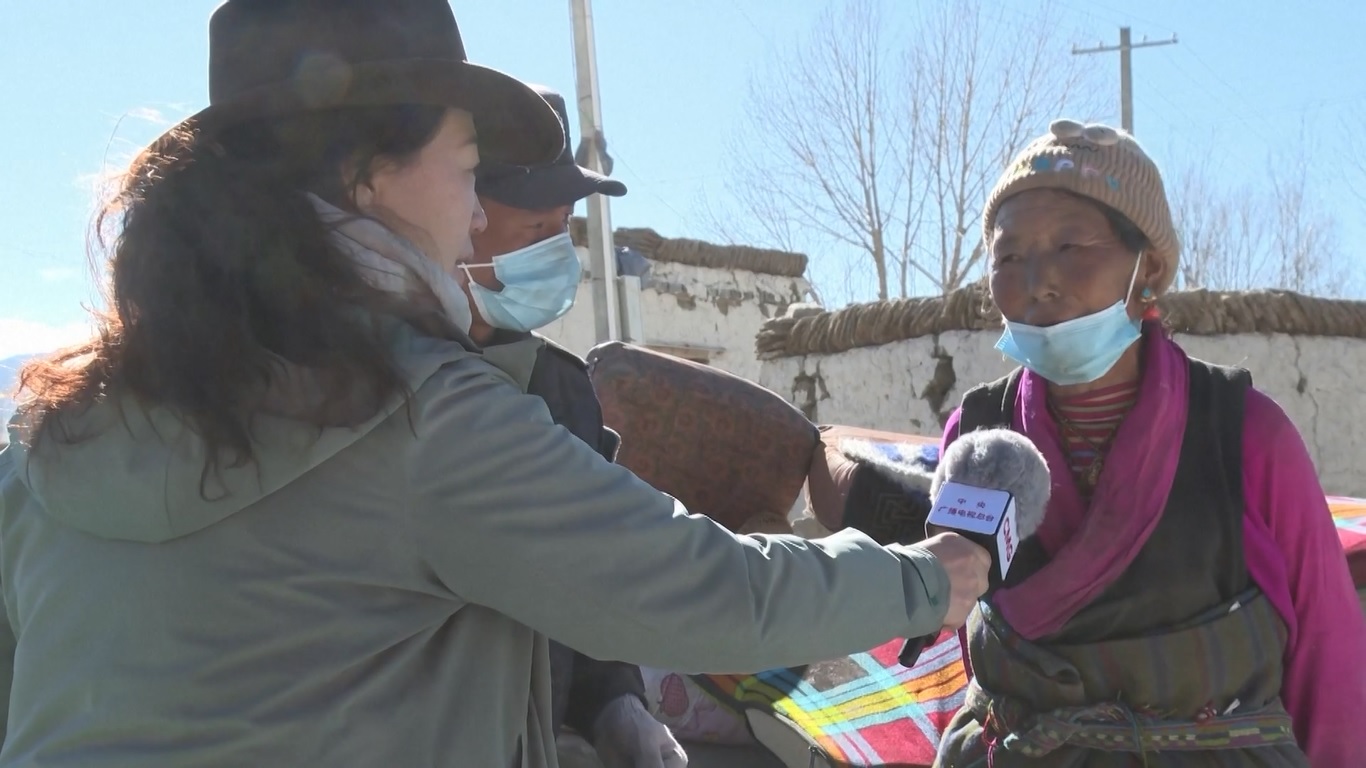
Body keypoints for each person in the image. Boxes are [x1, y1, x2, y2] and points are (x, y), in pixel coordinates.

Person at [0, 2, 992, 767]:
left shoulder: (53, 432)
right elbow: (701, 589)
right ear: (361, 175)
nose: (478, 220)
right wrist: (924, 581)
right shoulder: (419, 421)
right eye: (468, 169)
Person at [933, 119, 1366, 767]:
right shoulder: (976, 438)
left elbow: (1329, 661)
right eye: (1009, 256)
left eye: (1070, 247)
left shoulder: (1246, 435)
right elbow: (966, 626)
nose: (1036, 280)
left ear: (1150, 270)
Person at [467, 84, 680, 768]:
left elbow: (597, 577)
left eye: (564, 227)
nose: (558, 251)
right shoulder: (389, 388)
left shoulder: (561, 389)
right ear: (457, 215)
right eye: (534, 231)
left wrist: (613, 703)